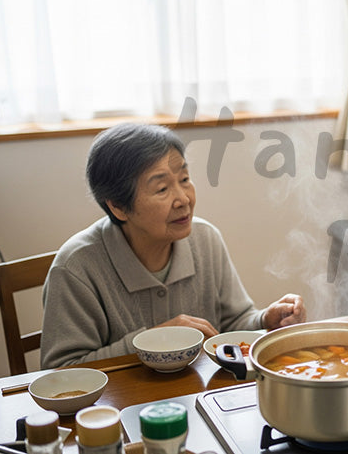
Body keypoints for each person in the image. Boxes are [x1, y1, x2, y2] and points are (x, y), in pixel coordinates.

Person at [41, 123, 306, 368]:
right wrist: (154, 341)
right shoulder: (75, 267)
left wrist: (265, 321)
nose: (184, 199)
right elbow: (60, 371)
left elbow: (233, 323)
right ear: (118, 207)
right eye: (161, 189)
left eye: (184, 179)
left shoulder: (205, 239)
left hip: (198, 394)